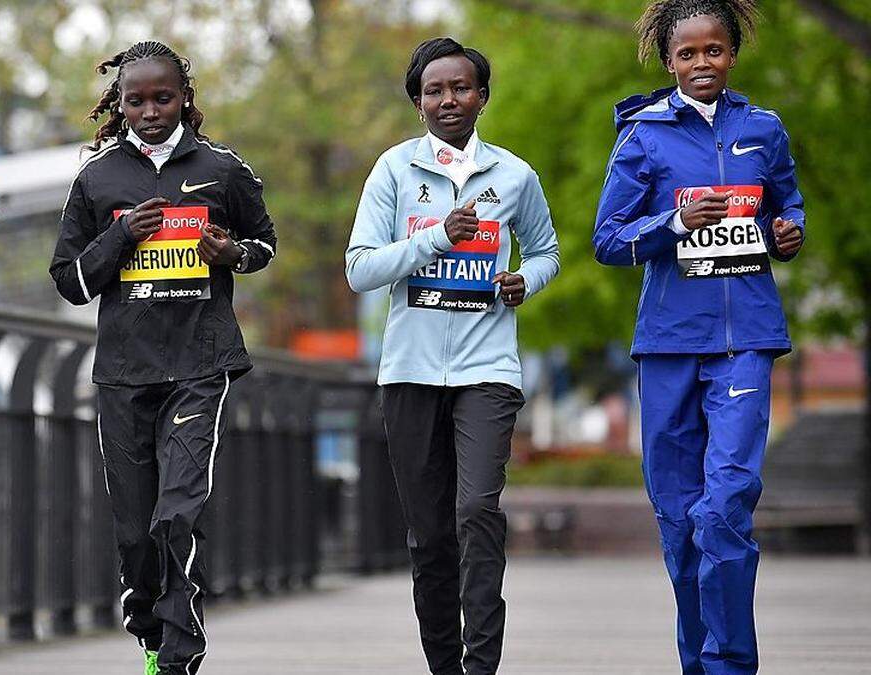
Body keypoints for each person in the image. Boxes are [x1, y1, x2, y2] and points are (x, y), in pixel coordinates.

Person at [49, 41, 276, 675]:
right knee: (134, 531)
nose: (150, 110)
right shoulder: (96, 179)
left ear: (186, 99)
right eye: (136, 100)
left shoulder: (224, 169)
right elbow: (68, 280)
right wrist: (121, 235)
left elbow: (264, 246)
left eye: (163, 97)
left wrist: (230, 252)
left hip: (199, 367)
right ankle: (147, 620)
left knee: (179, 512)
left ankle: (178, 655)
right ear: (119, 105)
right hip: (123, 371)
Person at [593, 1, 804, 672]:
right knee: (682, 522)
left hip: (746, 339)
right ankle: (699, 660)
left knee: (726, 504)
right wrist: (674, 221)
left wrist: (787, 232)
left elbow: (785, 204)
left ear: (732, 54)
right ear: (669, 61)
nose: (702, 63)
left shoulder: (764, 130)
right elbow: (608, 238)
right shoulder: (642, 136)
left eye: (713, 50)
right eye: (687, 54)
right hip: (668, 344)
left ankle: (729, 664)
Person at [345, 37, 560, 675]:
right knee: (431, 535)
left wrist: (529, 279)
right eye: (434, 91)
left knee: (476, 512)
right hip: (409, 372)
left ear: (482, 96)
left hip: (488, 368)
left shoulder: (515, 175)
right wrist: (438, 238)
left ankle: (480, 664)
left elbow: (546, 251)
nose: (448, 100)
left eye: (460, 88)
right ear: (417, 102)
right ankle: (444, 664)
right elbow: (361, 270)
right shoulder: (393, 172)